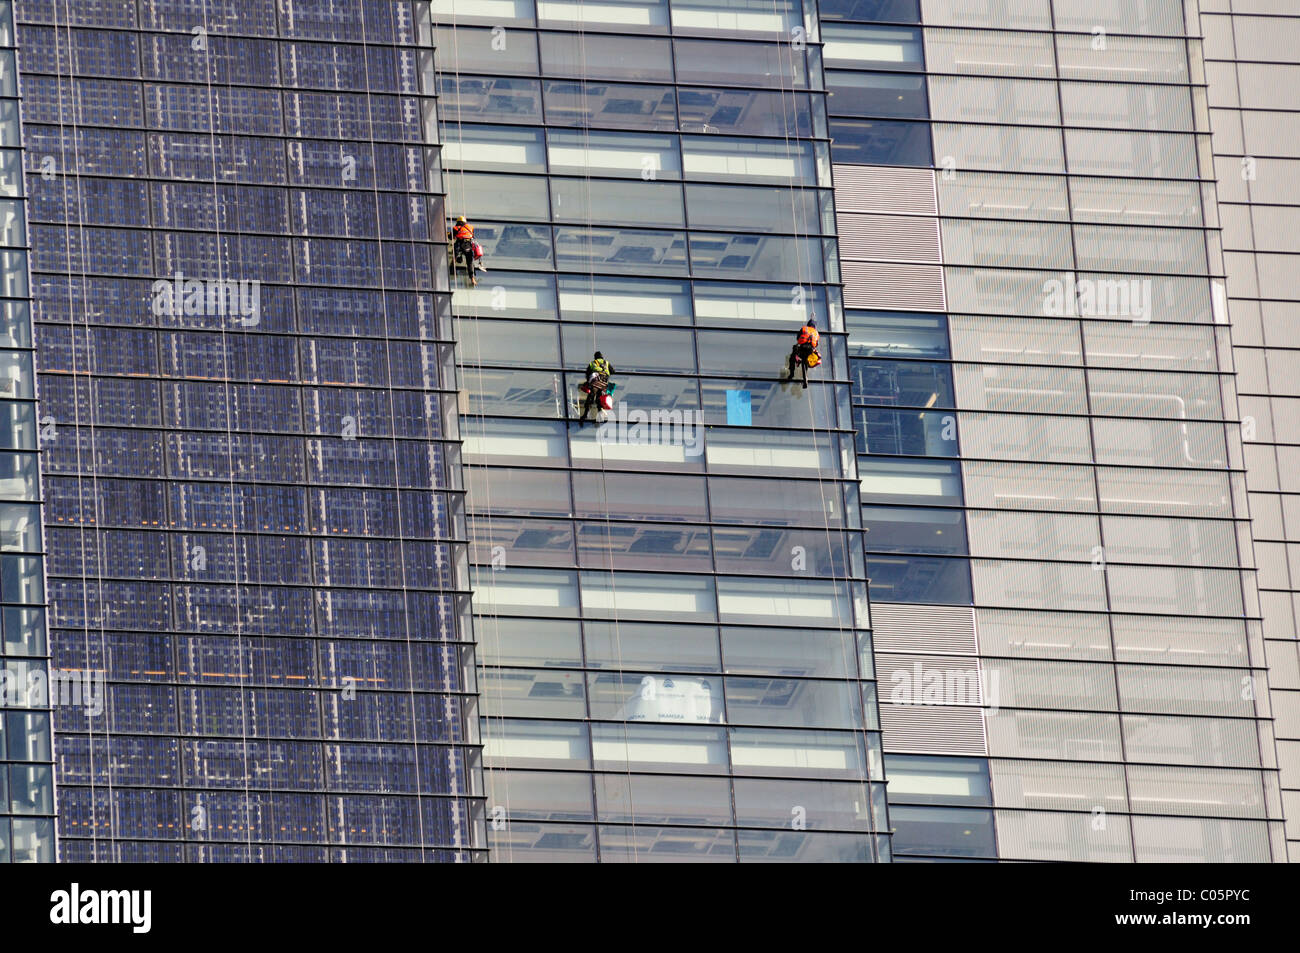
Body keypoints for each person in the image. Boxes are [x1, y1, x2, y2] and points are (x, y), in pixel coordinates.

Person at [578, 351, 615, 426]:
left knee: (591, 397)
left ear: (595, 357)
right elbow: (613, 371)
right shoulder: (606, 363)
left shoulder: (592, 363)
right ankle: (599, 418)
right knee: (599, 399)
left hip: (595, 381)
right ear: (602, 357)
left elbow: (588, 374)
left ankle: (585, 415)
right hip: (604, 382)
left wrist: (587, 382)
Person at [787, 318, 820, 389]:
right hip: (810, 349)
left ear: (808, 324)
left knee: (792, 357)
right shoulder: (816, 332)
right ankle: (805, 378)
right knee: (806, 362)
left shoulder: (804, 328)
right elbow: (817, 344)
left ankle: (791, 374)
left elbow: (798, 337)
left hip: (802, 347)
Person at [449, 215, 478, 286]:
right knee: (470, 262)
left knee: (455, 254)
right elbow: (472, 235)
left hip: (460, 244)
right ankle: (472, 279)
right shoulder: (471, 227)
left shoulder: (456, 227)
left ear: (458, 222)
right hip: (469, 245)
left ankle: (452, 265)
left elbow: (451, 237)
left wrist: (450, 235)